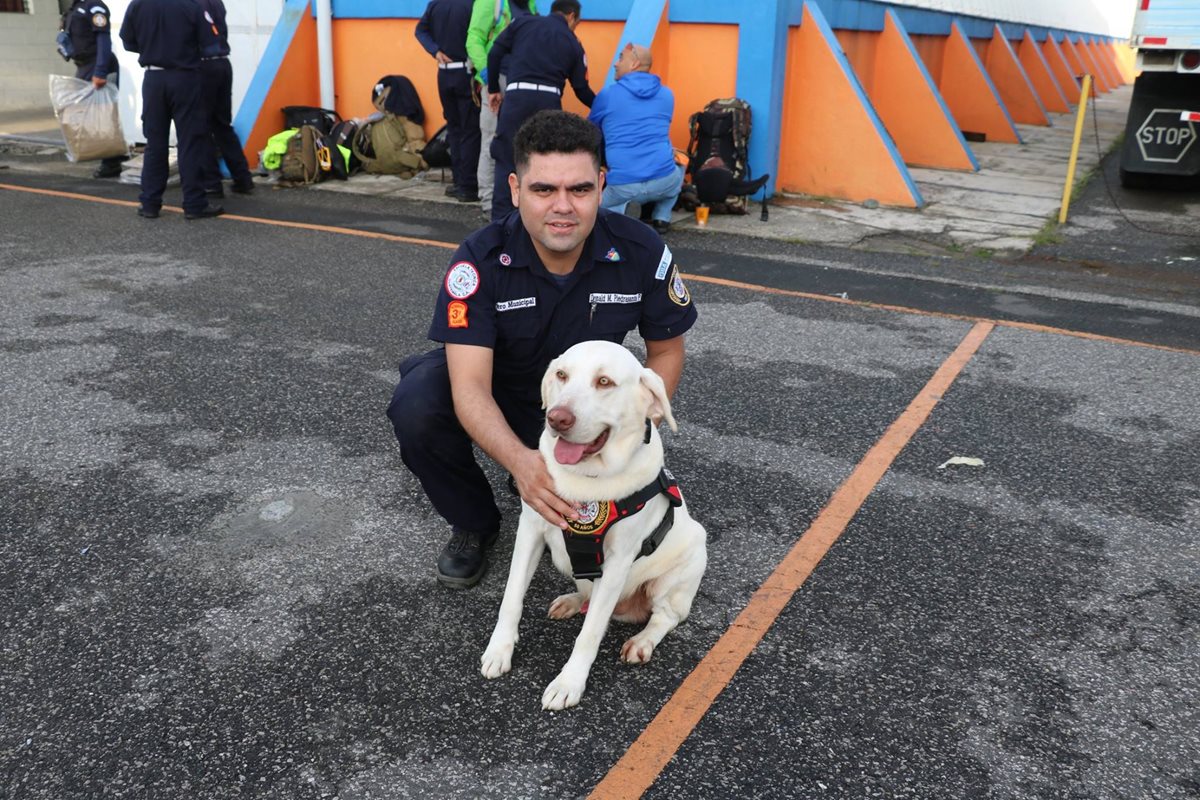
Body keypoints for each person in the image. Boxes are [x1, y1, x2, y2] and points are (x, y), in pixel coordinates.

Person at [386, 110, 697, 589]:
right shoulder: (480, 259)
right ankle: (475, 523)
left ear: (602, 184)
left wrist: (636, 429)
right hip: (500, 390)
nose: (563, 207)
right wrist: (522, 461)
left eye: (579, 189)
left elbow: (666, 351)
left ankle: (549, 465)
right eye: (543, 189)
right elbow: (469, 386)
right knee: (418, 401)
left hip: (579, 401)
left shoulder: (641, 250)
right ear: (515, 189)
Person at [486, 0, 594, 221]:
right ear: (572, 17)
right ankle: (537, 218)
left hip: (516, 98)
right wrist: (605, 106)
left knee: (507, 158)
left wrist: (494, 89)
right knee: (544, 160)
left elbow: (494, 54)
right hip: (548, 102)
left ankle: (500, 224)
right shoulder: (573, 42)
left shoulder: (523, 23)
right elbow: (581, 89)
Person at [119, 0, 223, 220]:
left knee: (155, 143)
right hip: (185, 77)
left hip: (153, 79)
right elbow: (211, 42)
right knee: (189, 142)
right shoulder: (191, 5)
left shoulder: (138, 4)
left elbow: (127, 41)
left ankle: (149, 203)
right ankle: (194, 203)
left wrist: (152, 46)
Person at [588, 42, 682, 234]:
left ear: (634, 64)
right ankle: (662, 217)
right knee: (680, 163)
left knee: (595, 211)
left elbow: (590, 130)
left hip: (623, 185)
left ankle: (620, 211)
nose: (615, 63)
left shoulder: (608, 95)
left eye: (621, 57)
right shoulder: (667, 95)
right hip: (664, 181)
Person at [466, 0, 538, 216]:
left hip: (522, 80)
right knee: (491, 141)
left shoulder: (530, 4)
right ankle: (489, 204)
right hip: (497, 81)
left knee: (525, 142)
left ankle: (521, 200)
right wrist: (489, 75)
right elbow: (473, 39)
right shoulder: (491, 2)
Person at [416, 0, 481, 203]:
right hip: (467, 73)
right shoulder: (474, 5)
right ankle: (469, 185)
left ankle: (459, 181)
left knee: (454, 129)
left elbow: (420, 31)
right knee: (470, 129)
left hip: (444, 74)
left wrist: (435, 50)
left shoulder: (437, 4)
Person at [195, 0, 255, 198]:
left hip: (202, 66)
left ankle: (211, 183)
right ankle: (242, 177)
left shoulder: (190, 4)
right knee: (222, 125)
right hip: (222, 63)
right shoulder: (215, 2)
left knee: (201, 127)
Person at [60, 0, 126, 179]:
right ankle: (113, 154)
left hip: (97, 63)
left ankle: (111, 162)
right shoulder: (73, 8)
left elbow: (103, 39)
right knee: (88, 113)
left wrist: (100, 71)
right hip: (83, 65)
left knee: (103, 113)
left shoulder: (95, 6)